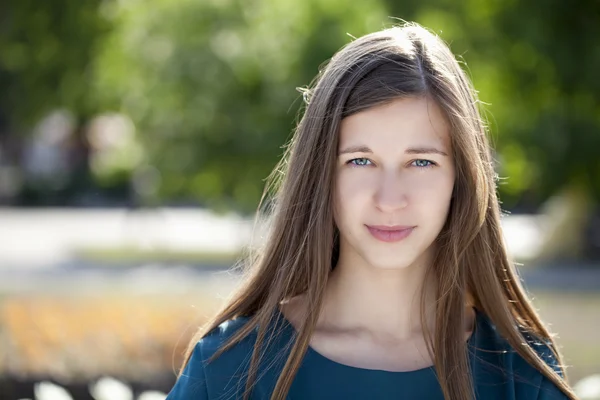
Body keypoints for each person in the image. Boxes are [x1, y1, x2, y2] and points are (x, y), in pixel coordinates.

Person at [166, 22, 577, 400]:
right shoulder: (227, 370)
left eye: (421, 162)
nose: (390, 198)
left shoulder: (521, 375)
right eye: (360, 161)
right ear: (320, 173)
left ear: (462, 179)